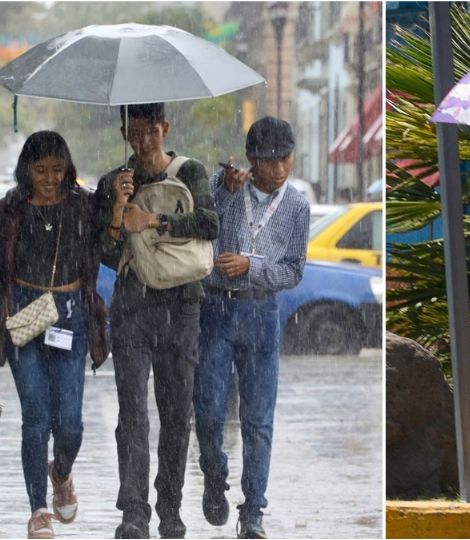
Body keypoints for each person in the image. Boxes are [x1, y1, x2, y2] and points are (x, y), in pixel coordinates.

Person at [0, 131, 109, 539]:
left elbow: (113, 239)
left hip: (71, 316)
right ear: (26, 170)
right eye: (41, 170)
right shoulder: (8, 211)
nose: (50, 178)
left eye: (57, 170)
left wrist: (116, 202)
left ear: (68, 169)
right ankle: (38, 509)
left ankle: (60, 472)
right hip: (24, 316)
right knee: (36, 417)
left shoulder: (84, 206)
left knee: (71, 423)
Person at [95, 103, 220, 539]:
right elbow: (107, 256)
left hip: (183, 306)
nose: (144, 142)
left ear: (165, 129)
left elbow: (209, 223)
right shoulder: (113, 182)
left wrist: (154, 219)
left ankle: (170, 506)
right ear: (125, 132)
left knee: (175, 412)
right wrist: (117, 210)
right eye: (135, 132)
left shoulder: (191, 172)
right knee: (131, 413)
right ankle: (134, 511)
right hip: (132, 307)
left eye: (152, 132)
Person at [193, 116, 310, 539]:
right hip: (215, 310)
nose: (279, 169)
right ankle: (214, 472)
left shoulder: (296, 206)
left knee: (258, 419)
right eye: (270, 161)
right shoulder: (223, 187)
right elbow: (203, 228)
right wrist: (224, 192)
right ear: (251, 160)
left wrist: (252, 267)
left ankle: (253, 511)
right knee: (207, 409)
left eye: (286, 159)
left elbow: (295, 270)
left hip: (262, 314)